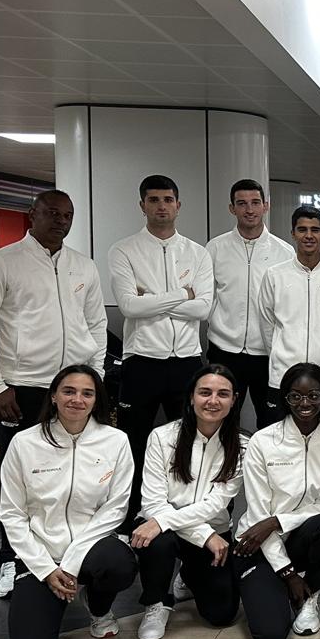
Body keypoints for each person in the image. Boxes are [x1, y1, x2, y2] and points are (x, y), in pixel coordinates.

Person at [0, 189, 107, 600]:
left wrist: (93, 377)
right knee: (19, 478)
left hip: (75, 386)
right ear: (33, 214)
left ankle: (69, 553)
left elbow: (96, 324)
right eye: (51, 212)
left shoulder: (83, 265)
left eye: (67, 214)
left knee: (77, 471)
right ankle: (12, 560)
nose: (60, 220)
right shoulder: (3, 262)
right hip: (23, 388)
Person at [0, 366, 135, 639]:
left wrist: (71, 562)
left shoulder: (115, 441)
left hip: (91, 549)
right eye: (69, 391)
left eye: (87, 393)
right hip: (41, 554)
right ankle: (52, 595)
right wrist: (47, 569)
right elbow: (11, 513)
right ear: (54, 396)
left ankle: (99, 609)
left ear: (96, 399)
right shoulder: (24, 443)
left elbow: (116, 508)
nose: (78, 399)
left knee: (120, 565)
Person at [109, 174, 214, 520]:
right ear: (142, 206)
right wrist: (183, 295)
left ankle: (182, 514)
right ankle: (131, 519)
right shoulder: (124, 250)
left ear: (178, 205)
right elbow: (129, 307)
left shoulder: (196, 253)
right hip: (142, 360)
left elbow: (203, 309)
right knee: (134, 443)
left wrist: (152, 298)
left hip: (186, 361)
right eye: (153, 200)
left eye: (167, 200)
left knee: (187, 444)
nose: (161, 206)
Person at [233, 363, 320, 639]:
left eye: (313, 396)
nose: (305, 403)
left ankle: (311, 595)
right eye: (295, 396)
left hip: (297, 538)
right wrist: (287, 573)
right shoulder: (263, 441)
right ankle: (285, 587)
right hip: (258, 546)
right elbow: (259, 516)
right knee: (271, 636)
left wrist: (277, 522)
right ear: (285, 398)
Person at [131, 364, 246, 639]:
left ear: (234, 400)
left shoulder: (243, 446)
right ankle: (157, 602)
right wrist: (202, 534)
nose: (213, 401)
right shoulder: (162, 437)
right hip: (171, 532)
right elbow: (153, 502)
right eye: (205, 392)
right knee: (156, 539)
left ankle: (189, 573)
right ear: (192, 396)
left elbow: (216, 505)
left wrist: (205, 534)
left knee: (222, 614)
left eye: (223, 394)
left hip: (210, 533)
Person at [205, 179, 295, 428]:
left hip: (267, 353)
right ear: (232, 208)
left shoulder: (284, 253)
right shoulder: (215, 249)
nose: (249, 209)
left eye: (256, 203)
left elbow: (289, 305)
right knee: (220, 420)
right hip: (224, 350)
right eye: (242, 203)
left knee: (271, 423)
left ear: (266, 206)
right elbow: (207, 297)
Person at [257, 204, 320, 421]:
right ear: (293, 233)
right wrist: (282, 354)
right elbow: (267, 325)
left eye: (315, 230)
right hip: (283, 375)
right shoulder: (274, 276)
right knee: (279, 439)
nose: (309, 236)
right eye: (302, 230)